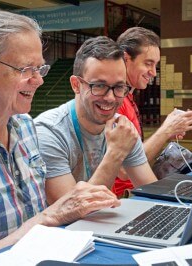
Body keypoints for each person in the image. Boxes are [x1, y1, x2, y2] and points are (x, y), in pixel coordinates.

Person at [0, 10, 121, 266]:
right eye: (26, 69)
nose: (39, 80)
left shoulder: (23, 125)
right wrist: (48, 218)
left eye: (40, 68)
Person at [34, 36, 158, 204]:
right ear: (76, 85)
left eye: (119, 87)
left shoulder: (121, 128)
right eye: (99, 86)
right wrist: (115, 153)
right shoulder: (49, 132)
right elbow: (70, 211)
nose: (110, 97)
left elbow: (152, 192)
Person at [112, 27, 192, 196]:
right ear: (125, 58)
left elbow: (134, 154)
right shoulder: (115, 102)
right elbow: (123, 169)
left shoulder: (128, 97)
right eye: (148, 63)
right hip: (122, 200)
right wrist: (166, 130)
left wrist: (169, 131)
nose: (153, 72)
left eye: (155, 65)